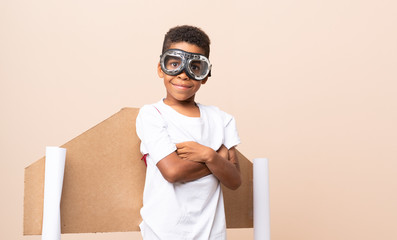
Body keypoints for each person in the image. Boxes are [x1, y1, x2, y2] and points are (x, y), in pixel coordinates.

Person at [136, 25, 241, 240]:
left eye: (195, 67)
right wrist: (218, 160)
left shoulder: (221, 119)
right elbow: (173, 172)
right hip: (163, 233)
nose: (183, 75)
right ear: (160, 68)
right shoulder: (152, 115)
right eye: (174, 64)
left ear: (205, 76)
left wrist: (208, 155)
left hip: (211, 233)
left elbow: (235, 180)